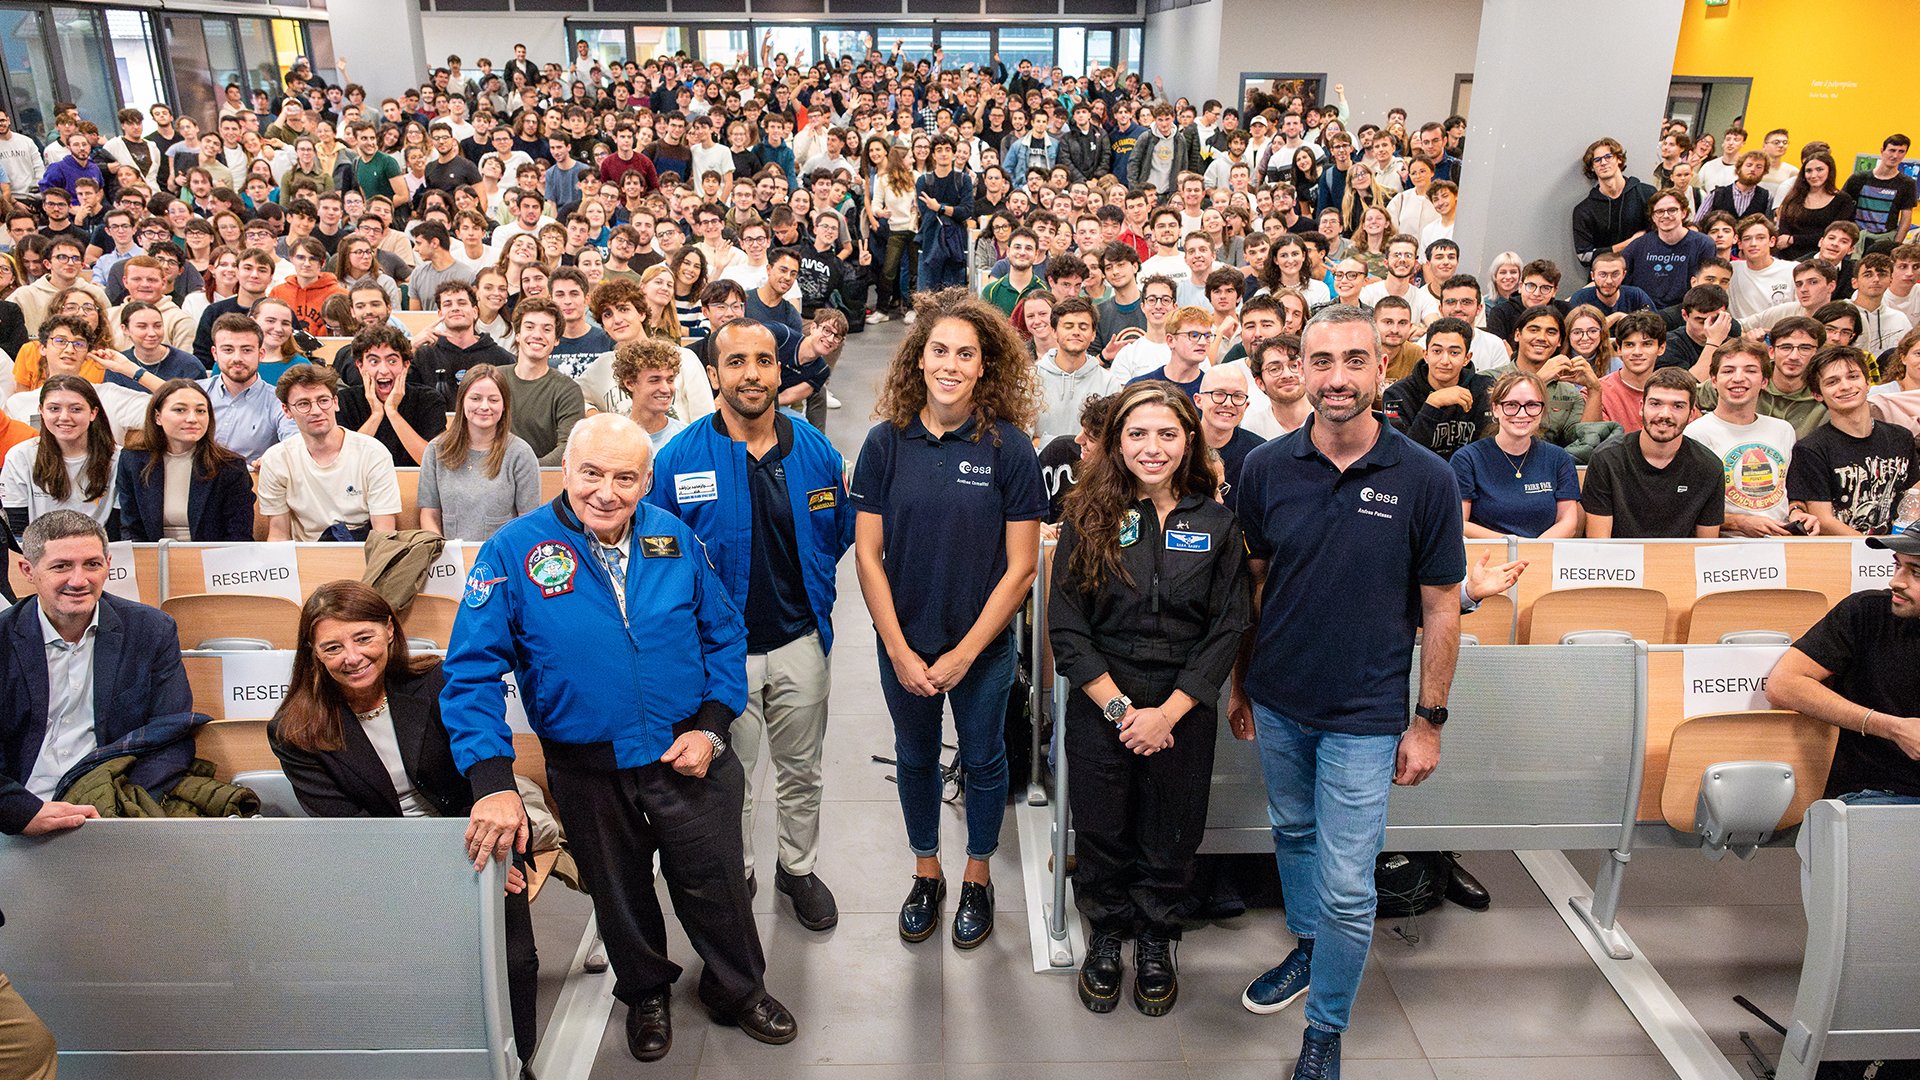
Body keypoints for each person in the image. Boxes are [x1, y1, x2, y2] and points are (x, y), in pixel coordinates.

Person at [444, 412, 798, 1063]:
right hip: (586, 767)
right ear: (567, 472)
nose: (606, 491)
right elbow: (470, 672)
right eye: (592, 474)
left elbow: (723, 635)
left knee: (718, 882)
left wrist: (713, 730)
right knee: (619, 890)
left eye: (625, 477)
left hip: (686, 754)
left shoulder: (674, 537)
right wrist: (491, 783)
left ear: (646, 481)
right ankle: (645, 994)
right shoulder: (513, 552)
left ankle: (738, 988)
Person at [1231, 306, 1464, 1080]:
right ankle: (1307, 949)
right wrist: (1241, 683)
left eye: (1354, 360)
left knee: (1346, 884)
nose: (1336, 377)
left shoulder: (1425, 477)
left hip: (1366, 714)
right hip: (1279, 700)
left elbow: (1440, 605)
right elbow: (1255, 586)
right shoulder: (1265, 468)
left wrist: (1427, 722)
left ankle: (1325, 1027)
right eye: (1321, 361)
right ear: (1297, 366)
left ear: (1381, 366)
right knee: (1293, 833)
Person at [266, 581, 541, 1071]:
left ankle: (517, 1062)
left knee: (512, 961)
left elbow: (484, 780)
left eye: (364, 637)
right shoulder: (294, 729)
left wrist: (496, 862)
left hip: (475, 843)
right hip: (381, 866)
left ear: (390, 631)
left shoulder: (440, 683)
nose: (352, 657)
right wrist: (436, 878)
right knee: (409, 975)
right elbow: (347, 830)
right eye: (333, 646)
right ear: (313, 653)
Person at [851, 288, 1045, 950]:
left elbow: (1021, 568)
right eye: (940, 351)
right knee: (915, 757)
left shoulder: (1010, 448)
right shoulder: (884, 445)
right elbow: (868, 558)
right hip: (902, 641)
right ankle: (927, 871)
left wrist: (965, 653)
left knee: (985, 758)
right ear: (919, 358)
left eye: (966, 354)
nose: (951, 365)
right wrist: (899, 650)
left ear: (985, 365)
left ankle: (978, 876)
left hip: (982, 649)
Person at [1048, 381, 1250, 1016]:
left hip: (1182, 706)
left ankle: (1158, 936)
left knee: (1173, 828)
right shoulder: (1088, 515)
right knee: (1103, 827)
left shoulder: (1218, 523)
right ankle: (1107, 932)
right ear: (1115, 442)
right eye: (1137, 433)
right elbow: (1067, 626)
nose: (1152, 447)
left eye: (1167, 433)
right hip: (1103, 698)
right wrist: (1121, 713)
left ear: (1188, 439)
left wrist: (1168, 713)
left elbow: (1228, 627)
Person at [648, 318, 856, 929]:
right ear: (714, 374)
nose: (752, 374)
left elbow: (837, 532)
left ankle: (797, 868)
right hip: (719, 658)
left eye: (764, 361)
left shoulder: (815, 451)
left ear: (779, 371)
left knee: (802, 770)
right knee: (726, 778)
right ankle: (735, 871)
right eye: (736, 362)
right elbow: (658, 554)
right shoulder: (680, 457)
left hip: (800, 641)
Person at [0, 510, 193, 835]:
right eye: (61, 566)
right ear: (27, 570)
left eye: (92, 564)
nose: (79, 580)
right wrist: (19, 812)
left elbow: (172, 734)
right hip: (18, 812)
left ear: (107, 564)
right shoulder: (3, 638)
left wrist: (121, 804)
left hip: (113, 808)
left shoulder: (151, 630)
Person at [1764, 512, 1920, 804]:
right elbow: (1784, 683)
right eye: (1897, 565)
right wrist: (1894, 728)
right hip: (1879, 795)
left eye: (1916, 573)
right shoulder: (1865, 613)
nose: (1895, 582)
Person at [1684, 337, 1819, 537]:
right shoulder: (1695, 434)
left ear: (1765, 381)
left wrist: (1797, 512)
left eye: (1750, 370)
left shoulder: (1783, 430)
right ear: (1713, 380)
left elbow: (1789, 492)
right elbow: (1688, 508)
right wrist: (1739, 522)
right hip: (1725, 547)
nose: (1738, 378)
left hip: (1782, 543)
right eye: (1728, 370)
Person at [257, 363, 401, 542]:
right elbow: (279, 534)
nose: (316, 411)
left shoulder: (373, 453)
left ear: (335, 402)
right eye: (303, 404)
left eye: (323, 401)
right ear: (287, 410)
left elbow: (384, 533)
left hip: (363, 553)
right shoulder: (276, 459)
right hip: (305, 557)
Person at [1787, 345, 1919, 536]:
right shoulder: (1810, 449)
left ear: (1868, 383)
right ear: (1817, 395)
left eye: (1853, 376)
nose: (1846, 386)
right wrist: (1872, 550)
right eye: (1832, 382)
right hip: (1843, 554)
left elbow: (1913, 498)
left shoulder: (1901, 437)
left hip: (1898, 551)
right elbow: (1824, 521)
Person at [1582, 368, 1724, 538]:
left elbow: (1706, 551)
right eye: (1656, 404)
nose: (1665, 414)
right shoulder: (1606, 459)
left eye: (1678, 406)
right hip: (1619, 562)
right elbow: (1599, 546)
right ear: (1642, 407)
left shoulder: (1709, 467)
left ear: (1692, 414)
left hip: (1680, 562)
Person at [114, 379, 254, 542]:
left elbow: (239, 536)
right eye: (180, 410)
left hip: (214, 561)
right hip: (152, 559)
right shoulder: (132, 460)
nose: (192, 419)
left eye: (201, 411)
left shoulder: (230, 467)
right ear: (157, 417)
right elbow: (131, 529)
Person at [418, 363, 541, 541]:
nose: (484, 406)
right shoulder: (436, 449)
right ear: (462, 401)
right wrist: (444, 554)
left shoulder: (520, 454)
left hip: (500, 559)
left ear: (505, 405)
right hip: (449, 560)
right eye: (475, 398)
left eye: (493, 400)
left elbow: (527, 523)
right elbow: (429, 515)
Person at [1454, 370, 1583, 538]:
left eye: (1532, 405)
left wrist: (1534, 550)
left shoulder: (1558, 458)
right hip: (1488, 557)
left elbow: (1568, 522)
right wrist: (1513, 545)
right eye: (1511, 405)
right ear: (1495, 408)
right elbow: (1459, 523)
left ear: (1543, 409)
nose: (1522, 414)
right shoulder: (1467, 459)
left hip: (1543, 556)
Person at [2, 375, 119, 536]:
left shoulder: (118, 459)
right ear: (41, 411)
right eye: (54, 409)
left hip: (98, 554)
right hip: (38, 555)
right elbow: (16, 530)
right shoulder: (20, 456)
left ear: (93, 413)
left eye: (76, 409)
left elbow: (118, 529)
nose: (64, 417)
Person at [1382, 316, 1489, 459]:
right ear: (1425, 355)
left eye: (1454, 353)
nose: (1445, 361)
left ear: (1467, 358)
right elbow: (1400, 454)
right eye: (1437, 351)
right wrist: (1432, 404)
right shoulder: (1396, 395)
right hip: (1419, 476)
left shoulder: (1484, 389)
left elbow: (1488, 451)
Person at [498, 298, 586, 467]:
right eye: (529, 327)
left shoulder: (567, 390)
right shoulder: (495, 379)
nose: (537, 335)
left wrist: (526, 471)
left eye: (547, 329)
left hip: (545, 478)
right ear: (518, 334)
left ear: (556, 340)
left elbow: (568, 447)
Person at [1036, 297, 1123, 446]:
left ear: (1093, 334)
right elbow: (1023, 437)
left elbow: (1109, 439)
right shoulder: (1030, 378)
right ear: (1054, 331)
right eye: (1068, 326)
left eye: (1083, 327)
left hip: (1091, 466)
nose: (1076, 332)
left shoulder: (1109, 383)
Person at [1571, 137, 1655, 278]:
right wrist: (1627, 244)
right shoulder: (1584, 209)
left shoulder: (1646, 193)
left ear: (1619, 159)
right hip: (1605, 279)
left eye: (1608, 157)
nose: (1603, 162)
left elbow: (1660, 232)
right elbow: (1584, 256)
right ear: (1592, 167)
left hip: (1644, 273)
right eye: (1597, 160)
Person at [1241, 335, 1313, 438]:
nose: (1287, 375)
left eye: (1294, 366)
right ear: (1260, 383)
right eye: (1274, 369)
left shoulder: (1327, 418)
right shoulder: (1252, 429)